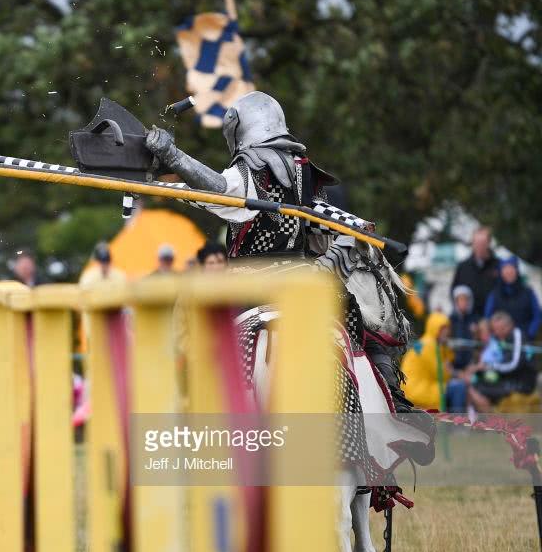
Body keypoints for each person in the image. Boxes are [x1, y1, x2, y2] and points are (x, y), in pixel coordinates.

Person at [144, 90, 425, 421]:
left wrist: (174, 157)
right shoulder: (301, 169)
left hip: (249, 285)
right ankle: (388, 392)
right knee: (353, 320)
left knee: (201, 326)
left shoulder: (254, 164)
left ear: (238, 130)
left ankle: (197, 411)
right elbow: (214, 195)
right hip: (304, 281)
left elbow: (219, 189)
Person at [465, 311, 536, 412]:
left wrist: (488, 366)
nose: (496, 333)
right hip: (510, 379)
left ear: (509, 325)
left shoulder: (517, 335)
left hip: (521, 383)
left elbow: (514, 364)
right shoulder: (503, 339)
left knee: (479, 388)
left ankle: (491, 422)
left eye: (499, 329)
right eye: (495, 330)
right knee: (477, 386)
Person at [399, 313, 452, 411]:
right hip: (417, 389)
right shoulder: (429, 345)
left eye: (447, 328)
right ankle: (458, 422)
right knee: (457, 388)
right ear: (434, 328)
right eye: (443, 328)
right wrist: (449, 370)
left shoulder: (427, 343)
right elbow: (439, 373)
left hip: (413, 387)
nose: (447, 332)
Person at [483, 256, 542, 340]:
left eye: (511, 269)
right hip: (500, 341)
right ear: (501, 272)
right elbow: (488, 316)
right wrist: (495, 333)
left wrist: (529, 334)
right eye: (505, 269)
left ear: (516, 271)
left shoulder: (528, 292)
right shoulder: (494, 294)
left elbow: (537, 315)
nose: (509, 272)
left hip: (523, 339)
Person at [450, 227, 499, 318]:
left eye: (482, 243)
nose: (479, 247)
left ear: (488, 243)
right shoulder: (463, 266)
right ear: (472, 244)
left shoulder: (498, 265)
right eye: (476, 243)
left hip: (493, 321)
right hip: (468, 321)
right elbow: (454, 291)